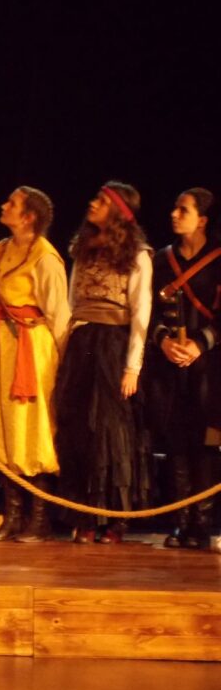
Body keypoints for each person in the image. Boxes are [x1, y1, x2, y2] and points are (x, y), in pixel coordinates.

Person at [53, 181, 153, 544]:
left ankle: (112, 519)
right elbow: (70, 301)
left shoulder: (137, 255)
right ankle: (83, 516)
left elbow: (141, 312)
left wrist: (132, 367)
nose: (92, 204)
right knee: (79, 428)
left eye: (102, 201)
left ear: (118, 212)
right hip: (82, 342)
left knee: (109, 431)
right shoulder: (82, 249)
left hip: (112, 345)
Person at [0, 187, 70, 542]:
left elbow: (58, 314)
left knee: (31, 429)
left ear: (29, 217)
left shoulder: (45, 257)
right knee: (2, 428)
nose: (4, 205)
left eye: (12, 203)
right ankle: (13, 514)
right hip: (2, 345)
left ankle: (39, 518)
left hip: (33, 348)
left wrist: (63, 362)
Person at [145, 188, 221, 550]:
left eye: (183, 210)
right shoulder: (162, 260)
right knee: (176, 442)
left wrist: (200, 343)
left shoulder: (219, 259)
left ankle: (201, 525)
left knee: (204, 445)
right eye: (175, 208)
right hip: (170, 365)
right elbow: (149, 313)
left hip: (208, 366)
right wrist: (163, 341)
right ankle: (180, 521)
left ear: (202, 220)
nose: (174, 214)